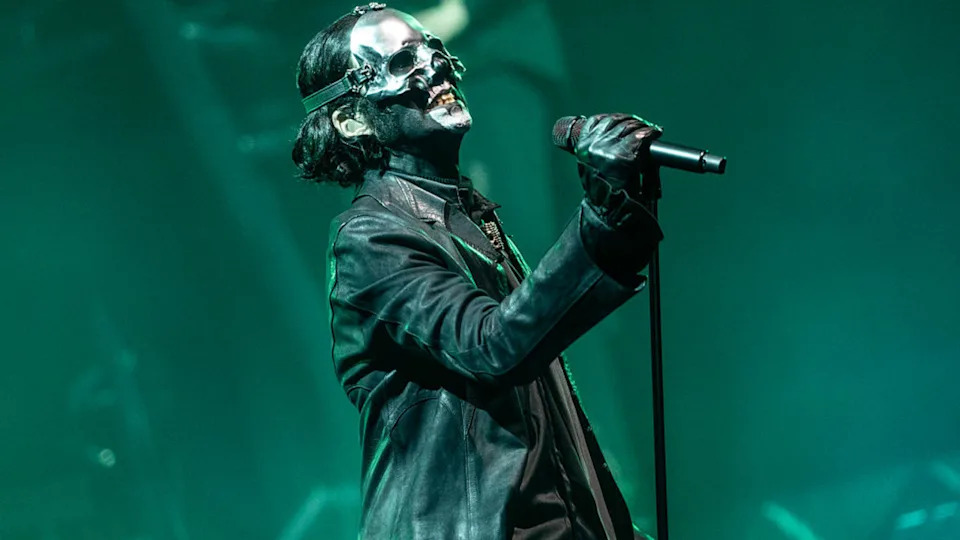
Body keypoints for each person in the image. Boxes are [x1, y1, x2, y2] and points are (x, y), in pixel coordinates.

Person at [292, 4, 663, 538]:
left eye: (435, 51)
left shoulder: (467, 218)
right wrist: (603, 216)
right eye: (402, 62)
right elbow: (492, 345)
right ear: (352, 119)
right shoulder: (370, 239)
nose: (436, 67)